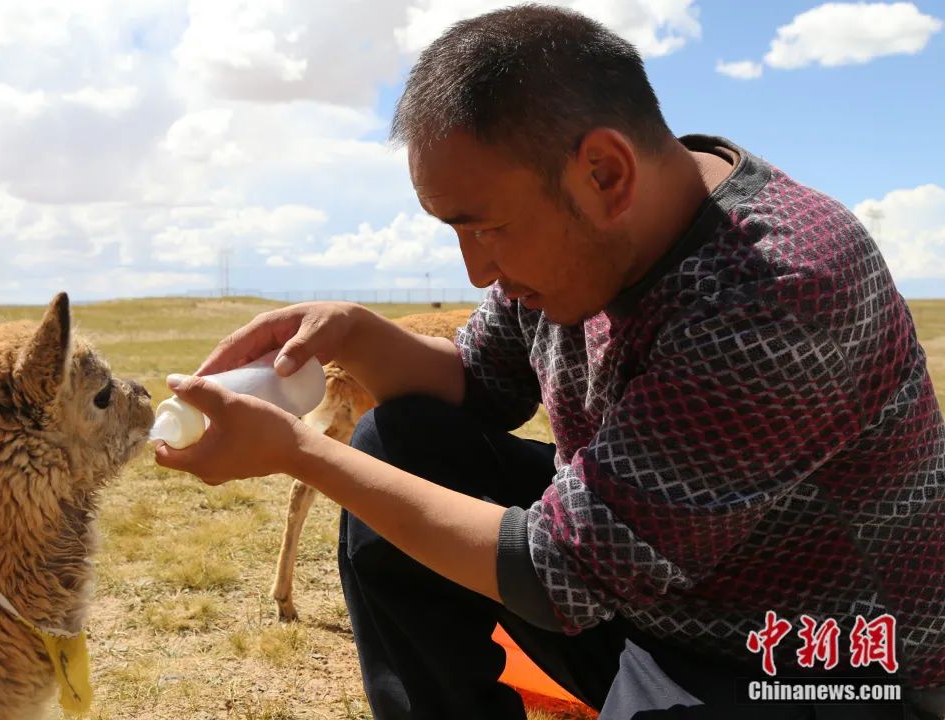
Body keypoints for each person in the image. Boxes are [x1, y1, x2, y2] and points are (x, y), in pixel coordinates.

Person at [154, 5, 944, 719]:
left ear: (606, 173)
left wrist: (300, 453)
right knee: (401, 447)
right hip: (650, 596)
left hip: (812, 660)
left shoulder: (778, 289)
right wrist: (352, 332)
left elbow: (556, 573)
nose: (475, 271)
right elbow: (481, 386)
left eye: (485, 229)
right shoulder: (585, 238)